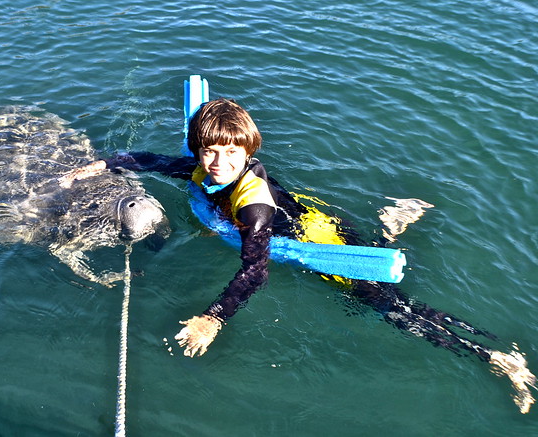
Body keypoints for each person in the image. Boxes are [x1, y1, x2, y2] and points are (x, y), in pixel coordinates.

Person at [61, 98, 535, 413]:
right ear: (199, 151)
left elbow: (255, 271)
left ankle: (493, 355)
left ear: (249, 152)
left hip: (315, 239)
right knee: (382, 297)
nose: (218, 162)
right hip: (309, 215)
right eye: (209, 151)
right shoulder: (204, 170)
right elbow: (155, 161)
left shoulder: (254, 207)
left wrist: (214, 318)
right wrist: (99, 165)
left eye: (230, 152)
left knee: (386, 306)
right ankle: (392, 221)